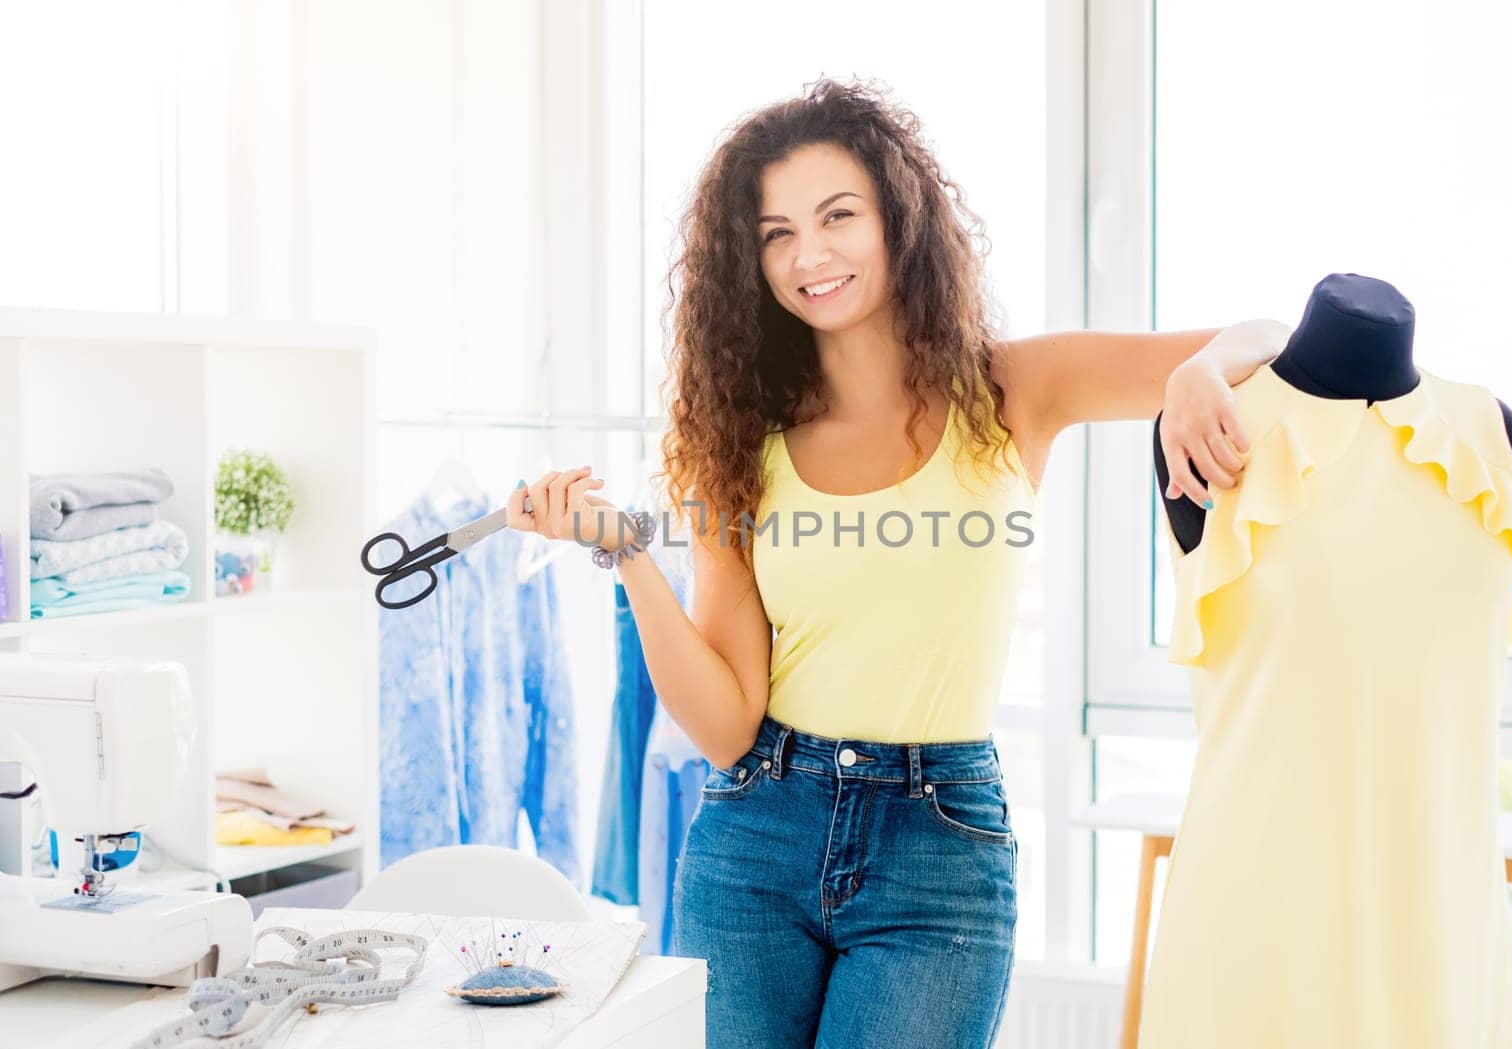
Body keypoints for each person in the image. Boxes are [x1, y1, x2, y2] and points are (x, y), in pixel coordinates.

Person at [507, 76, 1285, 1048]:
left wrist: (1194, 371)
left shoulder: (1012, 387)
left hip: (939, 846)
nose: (809, 254)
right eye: (776, 232)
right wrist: (626, 555)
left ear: (899, 220)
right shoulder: (736, 440)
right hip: (758, 829)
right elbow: (723, 724)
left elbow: (1274, 337)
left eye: (838, 215)